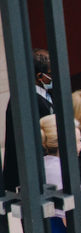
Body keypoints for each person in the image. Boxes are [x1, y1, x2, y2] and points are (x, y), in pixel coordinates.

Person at [3, 48, 54, 193]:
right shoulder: (24, 101)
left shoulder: (47, 93)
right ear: (40, 76)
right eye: (50, 73)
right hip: (33, 175)